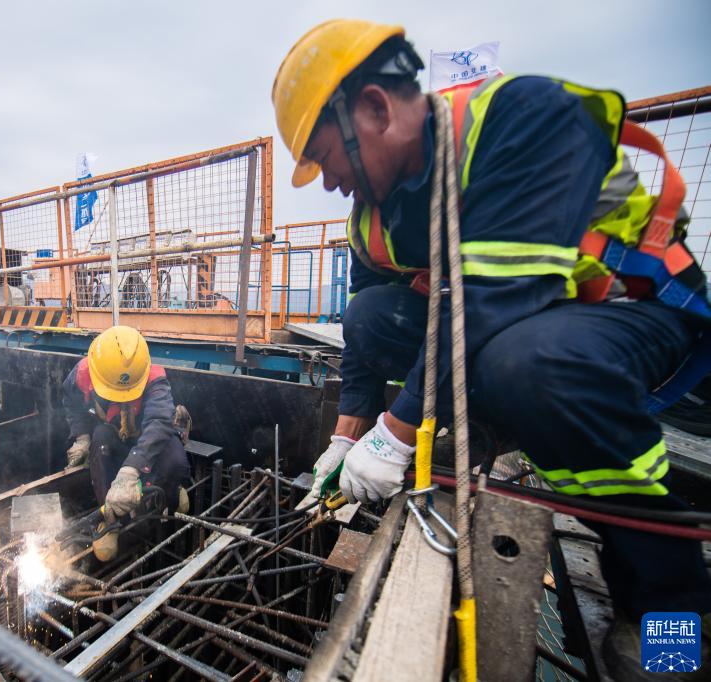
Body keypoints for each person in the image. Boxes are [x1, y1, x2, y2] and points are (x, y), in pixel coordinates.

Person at [272, 19, 710, 678]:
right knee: (370, 315)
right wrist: (345, 437)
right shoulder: (374, 216)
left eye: (326, 158)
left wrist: (396, 434)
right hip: (510, 332)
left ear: (374, 109)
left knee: (525, 366)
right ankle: (495, 418)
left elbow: (489, 301)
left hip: (626, 313)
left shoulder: (520, 117)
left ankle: (673, 616)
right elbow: (365, 337)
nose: (329, 183)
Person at [62, 325, 191, 561]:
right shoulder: (82, 374)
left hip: (146, 436)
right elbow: (72, 403)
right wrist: (81, 437)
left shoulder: (154, 378)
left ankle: (170, 493)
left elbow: (159, 422)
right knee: (100, 441)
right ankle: (109, 520)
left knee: (175, 461)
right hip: (113, 432)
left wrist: (131, 470)